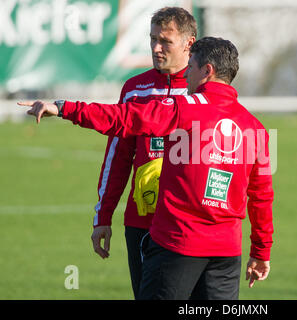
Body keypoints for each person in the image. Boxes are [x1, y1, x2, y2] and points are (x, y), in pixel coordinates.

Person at [19, 36, 274, 300]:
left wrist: (64, 108)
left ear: (207, 71)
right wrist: (261, 252)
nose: (186, 76)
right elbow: (262, 197)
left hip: (177, 246)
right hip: (226, 255)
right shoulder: (255, 127)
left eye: (192, 67)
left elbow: (125, 118)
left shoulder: (184, 109)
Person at [90, 7, 196, 299]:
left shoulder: (203, 90)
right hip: (142, 221)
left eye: (165, 41)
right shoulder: (135, 89)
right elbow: (118, 158)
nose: (156, 48)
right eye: (152, 39)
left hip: (189, 225)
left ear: (189, 43)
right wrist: (103, 216)